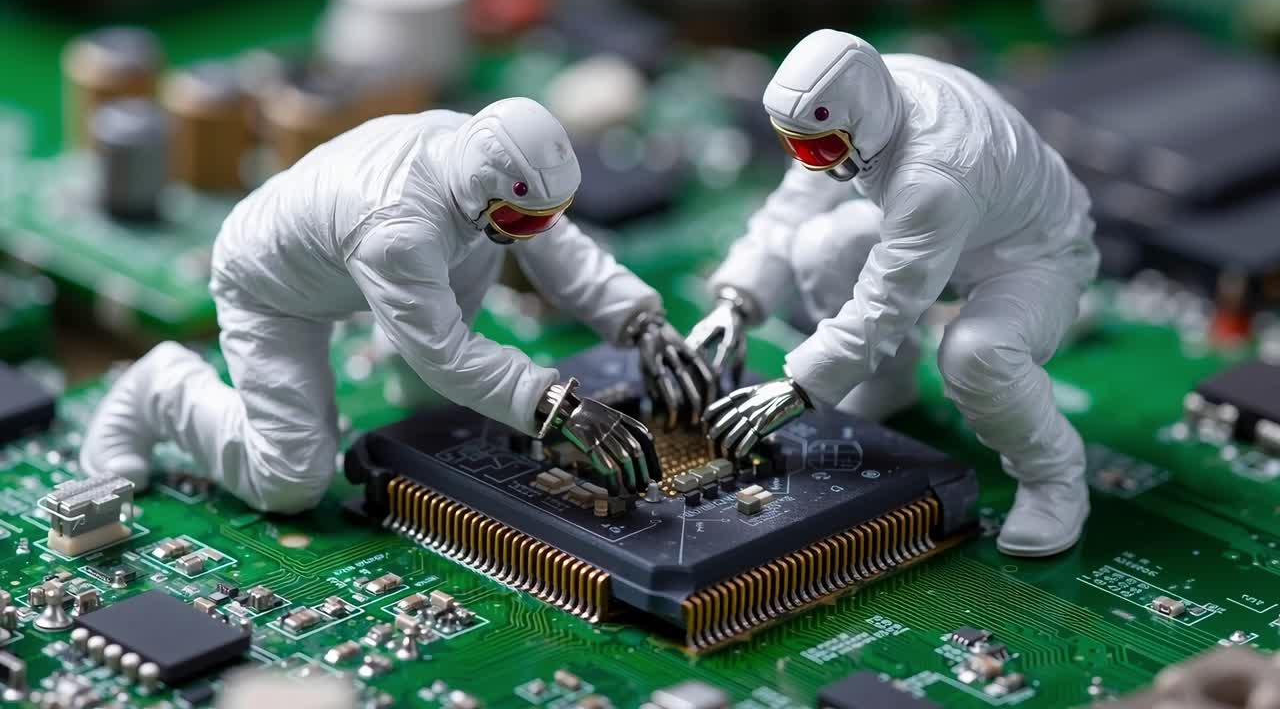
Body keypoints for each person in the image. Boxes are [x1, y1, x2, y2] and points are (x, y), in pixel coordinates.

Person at [81, 97, 713, 513]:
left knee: (429, 400)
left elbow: (555, 244)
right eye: (523, 219)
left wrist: (640, 320)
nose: (535, 231)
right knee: (290, 479)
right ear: (484, 191)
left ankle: (393, 349)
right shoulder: (399, 231)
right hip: (272, 289)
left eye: (547, 214)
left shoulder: (471, 152)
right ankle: (159, 390)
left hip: (382, 253)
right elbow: (447, 355)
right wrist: (558, 404)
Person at [688, 30, 1099, 557]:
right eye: (797, 145)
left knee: (976, 353)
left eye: (821, 148)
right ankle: (888, 381)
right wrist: (737, 299)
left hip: (1032, 255)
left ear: (859, 124)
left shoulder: (931, 173)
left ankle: (1054, 480)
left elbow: (885, 304)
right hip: (954, 228)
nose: (813, 161)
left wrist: (800, 386)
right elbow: (793, 206)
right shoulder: (863, 96)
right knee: (821, 246)